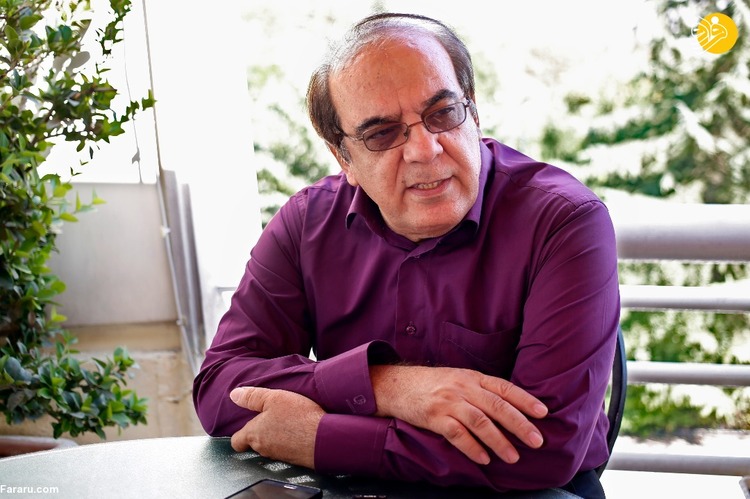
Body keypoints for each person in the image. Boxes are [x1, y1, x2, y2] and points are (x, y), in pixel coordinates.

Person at [193, 12, 620, 498]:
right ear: (344, 158)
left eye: (443, 113)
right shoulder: (306, 223)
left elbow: (545, 450)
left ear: (474, 112)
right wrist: (389, 387)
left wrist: (322, 438)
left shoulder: (565, 221)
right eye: (381, 134)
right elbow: (220, 390)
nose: (424, 149)